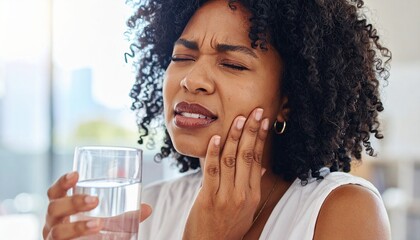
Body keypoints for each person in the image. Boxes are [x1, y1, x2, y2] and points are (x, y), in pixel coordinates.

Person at [43, 0, 392, 239]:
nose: (192, 79)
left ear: (289, 100)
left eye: (232, 64)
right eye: (182, 56)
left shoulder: (343, 211)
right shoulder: (147, 210)